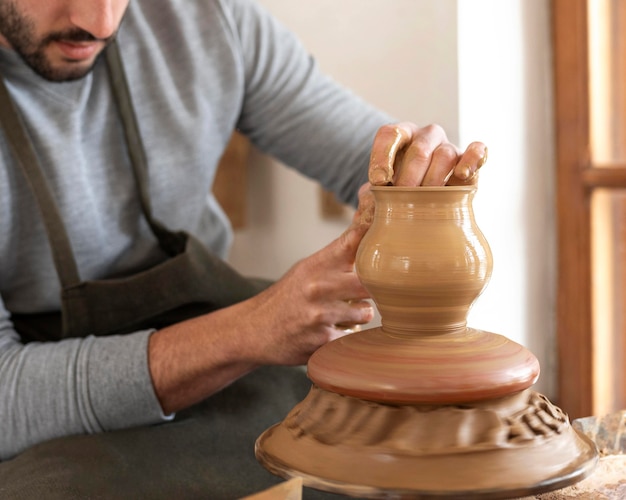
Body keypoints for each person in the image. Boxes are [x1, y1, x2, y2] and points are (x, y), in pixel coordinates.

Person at [0, 0, 487, 497]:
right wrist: (251, 330)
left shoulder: (204, 19)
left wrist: (414, 179)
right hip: (42, 416)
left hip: (231, 371)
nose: (102, 22)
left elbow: (363, 159)